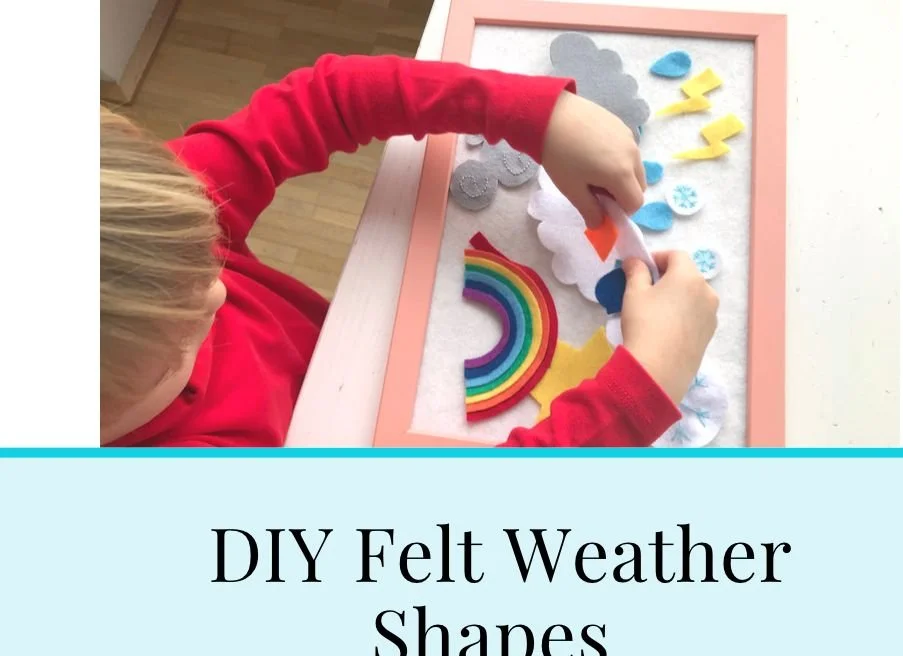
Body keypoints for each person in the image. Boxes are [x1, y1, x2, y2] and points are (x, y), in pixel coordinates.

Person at [100, 54, 718, 448]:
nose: (218, 286)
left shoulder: (138, 217)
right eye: (180, 334)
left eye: (201, 257)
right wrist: (641, 392)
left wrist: (528, 111)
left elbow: (331, 97)